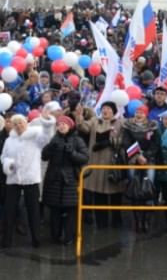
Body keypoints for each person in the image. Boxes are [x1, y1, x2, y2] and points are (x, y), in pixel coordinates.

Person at [0, 107, 55, 248]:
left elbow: (46, 138)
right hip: (13, 178)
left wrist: (47, 121)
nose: (18, 126)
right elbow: (3, 156)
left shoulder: (35, 136)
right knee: (9, 209)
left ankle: (36, 239)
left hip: (31, 177)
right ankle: (6, 240)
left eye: (21, 123)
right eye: (15, 124)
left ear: (26, 123)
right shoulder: (9, 140)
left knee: (33, 209)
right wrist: (7, 164)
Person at [41, 114, 89, 245]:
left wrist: (72, 153)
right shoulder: (54, 138)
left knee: (70, 210)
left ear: (70, 126)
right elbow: (44, 156)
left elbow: (85, 157)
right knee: (54, 209)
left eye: (64, 124)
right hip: (54, 178)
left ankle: (68, 236)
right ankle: (55, 236)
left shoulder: (77, 140)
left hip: (70, 179)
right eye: (59, 124)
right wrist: (50, 147)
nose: (61, 126)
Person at [77, 101, 124, 229]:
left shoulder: (120, 123)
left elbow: (124, 139)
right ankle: (101, 222)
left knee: (115, 194)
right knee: (98, 194)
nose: (105, 111)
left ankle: (116, 221)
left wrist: (111, 140)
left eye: (108, 108)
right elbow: (84, 128)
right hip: (95, 163)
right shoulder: (94, 121)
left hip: (112, 163)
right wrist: (79, 117)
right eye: (103, 108)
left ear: (113, 111)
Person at [121, 104, 159, 233]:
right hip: (133, 160)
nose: (139, 115)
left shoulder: (152, 127)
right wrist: (137, 156)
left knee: (149, 189)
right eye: (137, 112)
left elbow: (155, 144)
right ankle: (137, 221)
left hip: (149, 161)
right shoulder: (127, 126)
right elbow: (125, 143)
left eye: (141, 112)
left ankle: (147, 220)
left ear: (146, 114)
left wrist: (146, 156)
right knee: (135, 189)